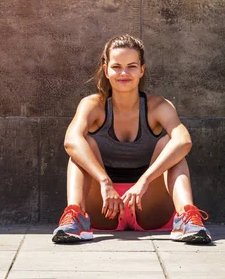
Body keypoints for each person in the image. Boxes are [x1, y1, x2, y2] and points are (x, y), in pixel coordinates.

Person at [52, 34, 211, 244]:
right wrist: (104, 181)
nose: (124, 73)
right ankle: (76, 217)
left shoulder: (158, 106)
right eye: (117, 66)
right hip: (103, 205)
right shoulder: (94, 105)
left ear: (142, 70)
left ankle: (188, 220)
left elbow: (184, 141)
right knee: (82, 146)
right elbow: (70, 141)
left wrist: (143, 181)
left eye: (132, 66)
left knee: (170, 146)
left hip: (149, 204)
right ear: (106, 69)